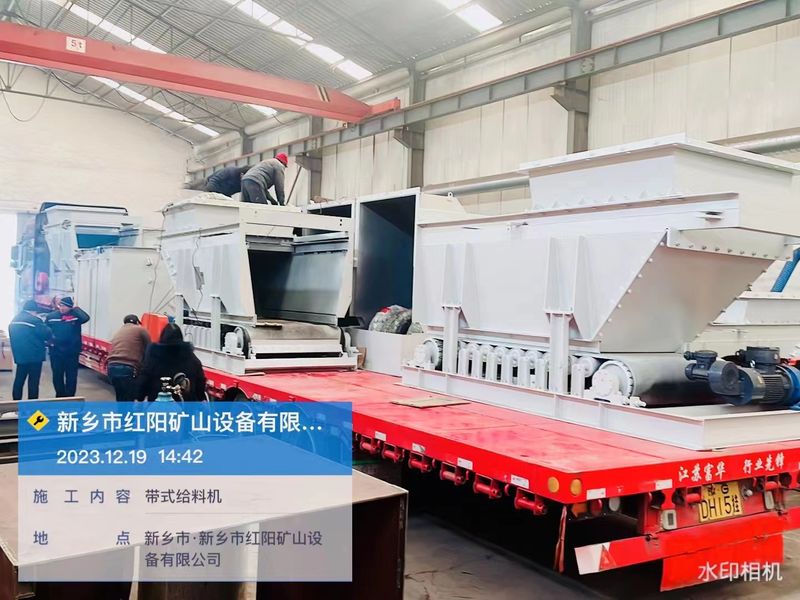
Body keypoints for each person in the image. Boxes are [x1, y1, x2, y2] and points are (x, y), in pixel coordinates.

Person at [136, 324, 206, 401]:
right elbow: (200, 381)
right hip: (185, 403)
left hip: (158, 403)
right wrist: (200, 397)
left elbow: (144, 377)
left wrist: (139, 397)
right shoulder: (190, 357)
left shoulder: (154, 356)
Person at [45, 297, 90, 398]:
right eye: (61, 305)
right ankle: (60, 395)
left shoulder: (75, 316)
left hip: (72, 352)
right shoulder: (52, 316)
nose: (62, 308)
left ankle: (70, 396)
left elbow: (86, 318)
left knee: (71, 376)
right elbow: (46, 330)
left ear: (70, 307)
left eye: (65, 306)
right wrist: (49, 342)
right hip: (56, 352)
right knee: (57, 375)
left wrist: (76, 308)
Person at [8, 300, 52, 400]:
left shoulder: (15, 319)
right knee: (33, 382)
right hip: (34, 357)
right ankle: (32, 404)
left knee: (19, 380)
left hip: (20, 356)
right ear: (34, 310)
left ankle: (16, 402)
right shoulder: (35, 320)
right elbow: (46, 334)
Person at [106, 314, 151, 402]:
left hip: (111, 368)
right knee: (129, 399)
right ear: (137, 322)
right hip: (128, 368)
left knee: (120, 398)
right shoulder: (141, 329)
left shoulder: (119, 331)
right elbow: (150, 349)